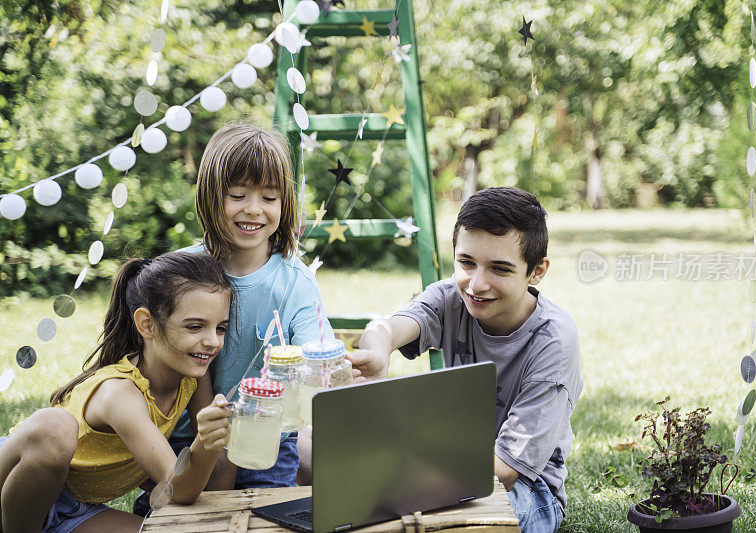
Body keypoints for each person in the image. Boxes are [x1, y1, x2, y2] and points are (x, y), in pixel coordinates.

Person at [348, 187, 583, 533]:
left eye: (499, 269)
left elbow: (504, 470)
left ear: (536, 271)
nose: (476, 284)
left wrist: (403, 467)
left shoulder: (554, 341)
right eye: (466, 263)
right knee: (309, 448)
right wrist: (378, 349)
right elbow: (391, 325)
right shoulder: (450, 298)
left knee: (448, 523)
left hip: (524, 490)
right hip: (439, 467)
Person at [135, 124, 334, 514]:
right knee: (177, 519)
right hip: (184, 436)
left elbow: (317, 358)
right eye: (238, 195)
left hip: (268, 439)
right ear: (211, 196)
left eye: (269, 197)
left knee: (267, 517)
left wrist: (331, 370)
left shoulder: (295, 283)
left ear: (285, 203)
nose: (254, 209)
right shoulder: (184, 272)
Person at [0, 252, 234, 532]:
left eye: (220, 328)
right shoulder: (120, 393)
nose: (211, 341)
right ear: (147, 324)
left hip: (76, 507)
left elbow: (192, 485)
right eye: (195, 326)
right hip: (12, 484)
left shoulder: (192, 378)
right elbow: (175, 485)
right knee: (55, 427)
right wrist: (205, 443)